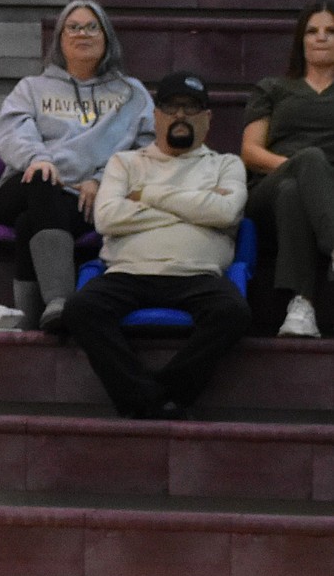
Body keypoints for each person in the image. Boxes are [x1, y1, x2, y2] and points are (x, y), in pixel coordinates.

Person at [63, 72, 250, 419]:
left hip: (198, 275)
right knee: (79, 309)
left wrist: (147, 195)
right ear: (156, 117)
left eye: (191, 108)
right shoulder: (125, 162)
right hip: (128, 272)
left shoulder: (227, 164)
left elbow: (225, 213)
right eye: (171, 107)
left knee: (233, 314)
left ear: (207, 119)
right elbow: (107, 218)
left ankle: (150, 398)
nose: (180, 115)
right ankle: (158, 401)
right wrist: (195, 208)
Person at [0, 0, 154, 331]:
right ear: (60, 39)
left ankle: (32, 317)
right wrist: (38, 158)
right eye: (74, 27)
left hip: (90, 197)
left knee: (29, 224)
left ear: (106, 37)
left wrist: (103, 179)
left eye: (92, 27)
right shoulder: (31, 88)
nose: (83, 34)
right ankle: (61, 300)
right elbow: (10, 132)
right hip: (27, 184)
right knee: (41, 183)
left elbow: (146, 151)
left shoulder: (132, 93)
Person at [242, 0, 334, 338]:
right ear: (301, 39)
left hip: (321, 193)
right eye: (312, 31)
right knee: (304, 165)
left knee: (295, 193)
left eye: (330, 31)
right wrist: (297, 165)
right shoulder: (274, 88)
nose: (321, 38)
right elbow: (250, 152)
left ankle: (302, 306)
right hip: (267, 187)